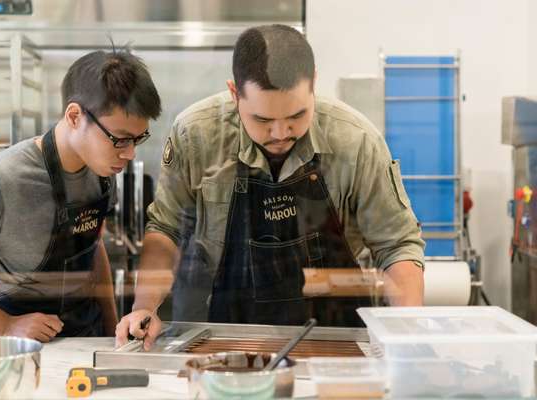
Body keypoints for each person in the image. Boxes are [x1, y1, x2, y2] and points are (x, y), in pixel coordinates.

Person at [115, 24, 424, 349]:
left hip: (336, 337)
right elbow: (166, 229)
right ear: (235, 93)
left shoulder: (356, 142)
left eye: (296, 116)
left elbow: (396, 245)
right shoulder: (197, 135)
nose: (280, 133)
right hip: (219, 338)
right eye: (262, 120)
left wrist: (408, 329)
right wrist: (144, 308)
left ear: (314, 83)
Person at [0, 49, 161, 341]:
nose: (130, 153)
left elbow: (93, 249)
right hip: (15, 349)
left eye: (138, 139)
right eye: (120, 139)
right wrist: (4, 324)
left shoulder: (102, 171)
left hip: (84, 339)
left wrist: (109, 331)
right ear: (74, 116)